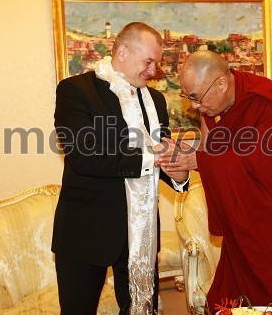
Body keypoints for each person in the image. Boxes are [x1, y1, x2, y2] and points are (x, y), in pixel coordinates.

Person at [157, 50, 272, 314]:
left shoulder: (265, 100)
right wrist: (202, 127)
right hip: (250, 225)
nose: (194, 106)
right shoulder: (219, 105)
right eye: (188, 98)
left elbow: (264, 165)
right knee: (234, 299)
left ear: (221, 83)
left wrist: (198, 161)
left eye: (196, 98)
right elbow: (216, 153)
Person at [53, 22, 188, 315]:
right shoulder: (75, 91)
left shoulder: (157, 100)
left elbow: (162, 155)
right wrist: (154, 157)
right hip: (87, 232)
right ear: (123, 52)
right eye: (149, 62)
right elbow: (85, 157)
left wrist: (180, 173)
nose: (153, 71)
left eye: (156, 63)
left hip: (141, 234)